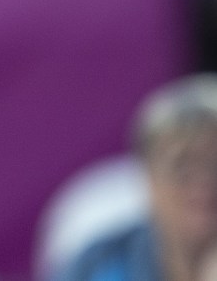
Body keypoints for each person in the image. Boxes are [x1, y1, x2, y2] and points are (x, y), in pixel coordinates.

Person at [50, 73, 217, 281]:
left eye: (214, 164)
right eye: (182, 166)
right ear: (149, 178)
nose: (204, 182)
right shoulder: (101, 262)